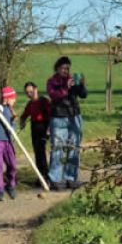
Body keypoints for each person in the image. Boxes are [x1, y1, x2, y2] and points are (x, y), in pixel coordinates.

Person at [46, 56, 88, 190]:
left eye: (68, 68)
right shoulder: (52, 81)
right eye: (63, 68)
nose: (66, 71)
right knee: (58, 147)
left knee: (74, 148)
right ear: (57, 68)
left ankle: (71, 178)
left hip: (74, 117)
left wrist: (81, 85)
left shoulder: (72, 80)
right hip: (58, 118)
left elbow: (83, 95)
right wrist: (65, 86)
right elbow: (54, 95)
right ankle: (55, 179)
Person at [19, 81, 51, 184]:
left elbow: (51, 115)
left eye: (31, 92)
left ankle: (45, 175)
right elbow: (24, 116)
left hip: (43, 127)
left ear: (36, 89)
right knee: (37, 152)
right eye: (27, 93)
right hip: (34, 127)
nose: (29, 94)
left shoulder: (43, 101)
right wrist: (22, 122)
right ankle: (40, 175)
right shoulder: (30, 104)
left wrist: (49, 128)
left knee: (41, 152)